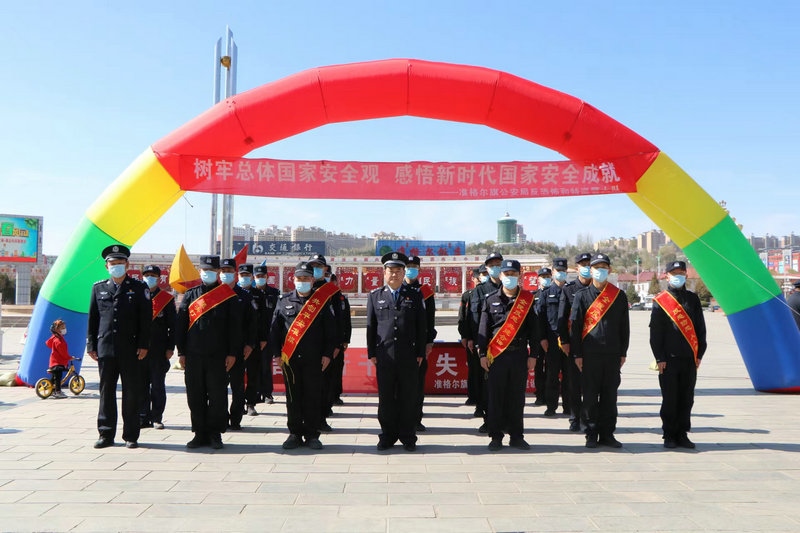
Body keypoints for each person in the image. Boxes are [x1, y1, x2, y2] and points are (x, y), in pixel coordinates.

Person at [87, 244, 151, 449]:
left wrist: (144, 344)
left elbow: (145, 319)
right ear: (106, 266)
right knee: (106, 392)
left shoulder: (139, 288)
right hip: (105, 347)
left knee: (131, 392)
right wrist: (91, 344)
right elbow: (93, 318)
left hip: (131, 349)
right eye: (112, 263)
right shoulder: (98, 288)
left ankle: (131, 435)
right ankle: (105, 434)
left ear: (127, 264)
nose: (116, 266)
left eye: (120, 263)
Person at [176, 255, 241, 450]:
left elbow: (234, 328)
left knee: (217, 395)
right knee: (195, 395)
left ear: (218, 272)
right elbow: (181, 325)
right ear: (200, 271)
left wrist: (232, 353)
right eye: (205, 270)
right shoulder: (190, 295)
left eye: (212, 270)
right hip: (193, 354)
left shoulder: (228, 296)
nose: (208, 273)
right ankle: (199, 433)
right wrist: (181, 352)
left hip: (218, 356)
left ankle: (215, 433)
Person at [270, 261, 337, 450]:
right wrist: (276, 354)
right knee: (293, 397)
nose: (303, 281)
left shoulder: (321, 302)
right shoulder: (284, 301)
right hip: (290, 360)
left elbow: (330, 332)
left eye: (306, 278)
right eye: (299, 278)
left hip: (314, 359)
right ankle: (294, 434)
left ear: (312, 280)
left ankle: (312, 435)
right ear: (293, 279)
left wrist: (327, 354)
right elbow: (274, 331)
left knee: (312, 397)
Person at [367, 251, 427, 452]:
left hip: (408, 356)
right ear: (384, 273)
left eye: (398, 271)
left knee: (408, 397)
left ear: (403, 273)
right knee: (386, 398)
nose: (394, 274)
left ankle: (408, 436)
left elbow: (422, 326)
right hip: (384, 356)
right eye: (391, 271)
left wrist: (420, 352)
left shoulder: (415, 295)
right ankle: (387, 436)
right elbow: (370, 327)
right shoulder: (375, 296)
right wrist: (372, 353)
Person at [477, 259, 539, 451]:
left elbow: (535, 331)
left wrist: (533, 355)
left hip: (519, 355)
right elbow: (483, 329)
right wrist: (482, 354)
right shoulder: (490, 299)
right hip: (497, 357)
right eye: (506, 274)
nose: (509, 277)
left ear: (519, 276)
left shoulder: (527, 300)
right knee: (495, 398)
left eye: (513, 274)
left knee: (517, 398)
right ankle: (496, 437)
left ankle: (516, 436)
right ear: (500, 275)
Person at [570, 252, 629, 449]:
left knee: (610, 397)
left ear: (609, 270)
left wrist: (623, 352)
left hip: (612, 354)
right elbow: (575, 327)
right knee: (589, 396)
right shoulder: (581, 296)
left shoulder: (618, 296)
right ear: (591, 270)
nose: (600, 271)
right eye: (596, 268)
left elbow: (624, 327)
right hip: (589, 355)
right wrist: (577, 354)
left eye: (603, 268)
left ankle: (607, 434)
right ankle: (590, 433)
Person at [649, 261, 708, 449]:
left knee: (687, 398)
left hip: (689, 358)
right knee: (670, 398)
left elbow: (700, 329)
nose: (678, 276)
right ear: (666, 276)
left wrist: (699, 354)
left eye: (681, 273)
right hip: (669, 360)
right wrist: (660, 357)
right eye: (674, 273)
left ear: (686, 275)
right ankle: (669, 434)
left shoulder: (693, 299)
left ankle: (682, 434)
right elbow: (656, 333)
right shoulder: (661, 301)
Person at [220, 258, 257, 431]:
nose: (226, 274)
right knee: (218, 387)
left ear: (235, 273)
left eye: (229, 271)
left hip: (239, 348)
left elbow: (252, 323)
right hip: (217, 349)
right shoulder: (213, 295)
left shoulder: (245, 296)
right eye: (223, 271)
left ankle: (235, 418)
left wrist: (250, 344)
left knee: (237, 387)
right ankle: (221, 418)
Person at [558, 252, 593, 432]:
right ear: (577, 268)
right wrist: (564, 340)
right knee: (574, 384)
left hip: (594, 345)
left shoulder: (600, 290)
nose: (586, 267)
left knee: (591, 384)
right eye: (583, 264)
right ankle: (575, 417)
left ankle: (589, 418)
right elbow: (562, 317)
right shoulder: (568, 289)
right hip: (574, 343)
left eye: (589, 264)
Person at [469, 252, 503, 433]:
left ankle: (506, 420)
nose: (496, 267)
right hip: (488, 345)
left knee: (506, 386)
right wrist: (478, 343)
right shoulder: (480, 290)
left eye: (498, 264)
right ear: (487, 268)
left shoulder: (511, 289)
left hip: (507, 345)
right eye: (492, 265)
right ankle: (488, 419)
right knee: (487, 385)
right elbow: (475, 319)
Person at [139, 265, 176, 430]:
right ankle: (143, 416)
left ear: (159, 278)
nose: (149, 278)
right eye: (147, 275)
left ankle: (157, 417)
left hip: (159, 350)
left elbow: (173, 326)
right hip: (139, 349)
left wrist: (170, 347)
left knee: (157, 385)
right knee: (141, 385)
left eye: (153, 275)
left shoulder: (166, 298)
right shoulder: (137, 295)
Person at [404, 255, 437, 432]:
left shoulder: (426, 292)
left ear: (419, 269)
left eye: (414, 266)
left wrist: (429, 341)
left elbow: (430, 319)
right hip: (401, 344)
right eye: (408, 266)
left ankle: (416, 419)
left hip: (419, 345)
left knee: (417, 385)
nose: (411, 269)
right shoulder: (398, 289)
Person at [536, 258, 571, 417]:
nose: (561, 273)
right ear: (553, 272)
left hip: (569, 341)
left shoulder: (572, 291)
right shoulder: (546, 293)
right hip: (552, 341)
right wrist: (542, 338)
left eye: (563, 270)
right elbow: (540, 318)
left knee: (569, 375)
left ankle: (568, 407)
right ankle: (551, 406)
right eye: (558, 271)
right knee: (552, 375)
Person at [253, 264, 280, 405]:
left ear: (267, 277)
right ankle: (256, 393)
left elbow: (277, 316)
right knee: (255, 366)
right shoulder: (251, 294)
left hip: (269, 336)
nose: (260, 278)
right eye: (257, 276)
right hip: (254, 337)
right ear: (254, 277)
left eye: (262, 276)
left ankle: (267, 393)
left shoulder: (274, 293)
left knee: (266, 365)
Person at [458, 267, 483, 410]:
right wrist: (464, 336)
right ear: (473, 279)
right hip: (471, 338)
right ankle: (472, 396)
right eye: (477, 277)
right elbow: (463, 317)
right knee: (473, 369)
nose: (479, 280)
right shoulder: (467, 295)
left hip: (487, 338)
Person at [328, 273, 352, 408]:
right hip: (325, 341)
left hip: (339, 340)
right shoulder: (320, 298)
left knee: (337, 369)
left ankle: (336, 395)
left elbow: (347, 321)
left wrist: (346, 340)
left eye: (334, 281)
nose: (332, 283)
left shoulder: (341, 298)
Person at [532, 267, 550, 407]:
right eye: (543, 276)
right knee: (538, 368)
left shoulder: (557, 293)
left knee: (551, 368)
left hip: (551, 336)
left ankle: (550, 395)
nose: (545, 279)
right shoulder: (533, 296)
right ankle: (540, 395)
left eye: (548, 276)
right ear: (538, 279)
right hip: (537, 337)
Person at [45, 319, 71, 399]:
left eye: (64, 327)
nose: (64, 329)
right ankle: (58, 391)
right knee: (58, 378)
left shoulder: (55, 338)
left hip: (53, 362)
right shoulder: (59, 341)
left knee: (54, 377)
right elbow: (63, 353)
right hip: (58, 363)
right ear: (57, 330)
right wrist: (69, 357)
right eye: (62, 328)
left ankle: (51, 390)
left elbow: (48, 343)